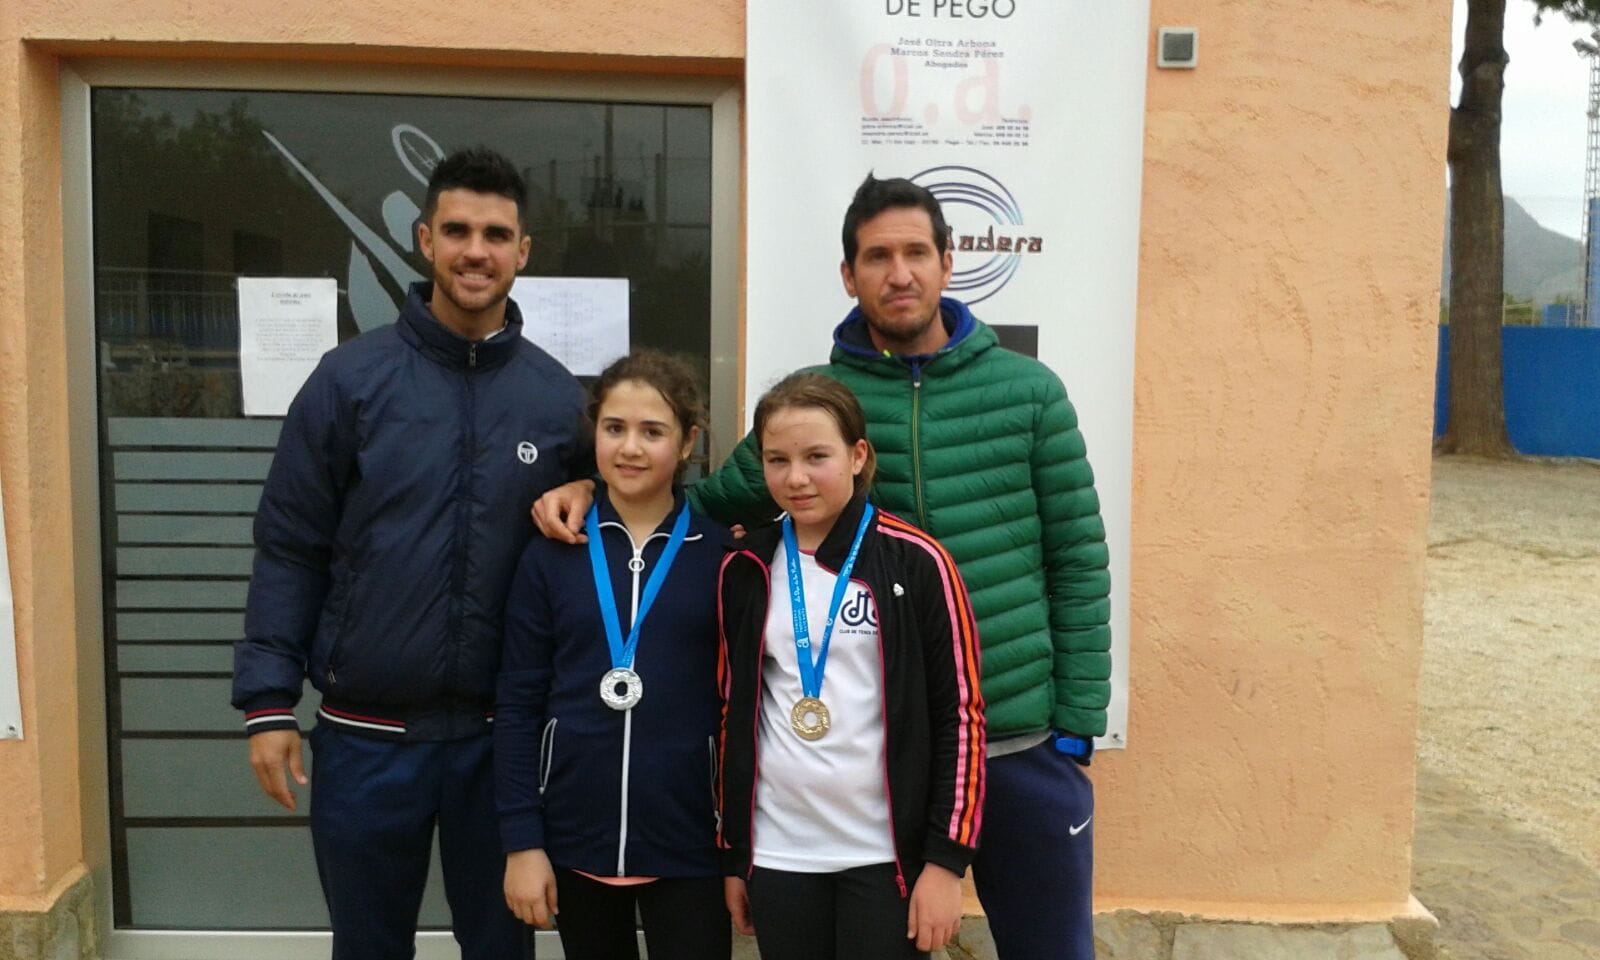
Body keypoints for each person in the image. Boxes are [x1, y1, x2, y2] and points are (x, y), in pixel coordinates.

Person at [534, 173, 1111, 960]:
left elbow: (1078, 559)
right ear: (849, 275)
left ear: (949, 262)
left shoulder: (1030, 392)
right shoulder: (826, 402)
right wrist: (593, 486)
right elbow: (702, 499)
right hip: (889, 760)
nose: (898, 273)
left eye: (915, 252)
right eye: (877, 256)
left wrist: (1075, 727)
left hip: (1015, 740)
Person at [233, 146, 590, 960]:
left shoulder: (556, 397)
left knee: (502, 949)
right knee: (368, 947)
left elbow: (617, 528)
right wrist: (267, 701)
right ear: (424, 241)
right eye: (458, 230)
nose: (477, 250)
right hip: (365, 739)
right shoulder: (349, 381)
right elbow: (291, 546)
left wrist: (594, 492)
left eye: (497, 234)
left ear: (523, 253)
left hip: (502, 747)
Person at [717, 372, 984, 960]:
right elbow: (733, 712)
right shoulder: (747, 564)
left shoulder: (917, 561)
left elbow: (960, 716)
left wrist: (946, 861)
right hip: (781, 854)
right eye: (777, 459)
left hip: (883, 858)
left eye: (817, 457)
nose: (796, 478)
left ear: (858, 455)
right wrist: (737, 855)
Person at [495, 351, 732, 960]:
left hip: (691, 844)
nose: (631, 448)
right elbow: (518, 704)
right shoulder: (551, 553)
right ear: (593, 434)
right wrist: (523, 842)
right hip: (574, 837)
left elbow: (743, 709)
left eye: (653, 431)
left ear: (687, 443)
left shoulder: (721, 557)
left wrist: (738, 852)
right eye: (614, 428)